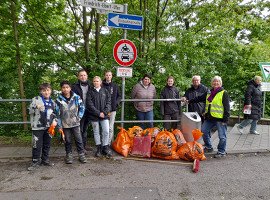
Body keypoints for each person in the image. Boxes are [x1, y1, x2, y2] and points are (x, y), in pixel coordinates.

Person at [188, 76, 230, 158]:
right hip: (210, 118)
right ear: (212, 83)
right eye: (214, 81)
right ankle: (209, 147)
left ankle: (221, 151)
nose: (216, 83)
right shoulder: (209, 92)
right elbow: (199, 98)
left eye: (217, 82)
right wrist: (189, 101)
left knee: (222, 136)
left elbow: (227, 107)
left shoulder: (223, 93)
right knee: (203, 131)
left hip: (220, 119)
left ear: (220, 83)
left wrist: (225, 119)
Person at [55, 81, 86, 164]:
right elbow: (57, 113)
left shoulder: (76, 97)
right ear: (61, 89)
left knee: (78, 139)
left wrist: (78, 117)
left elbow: (82, 107)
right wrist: (59, 125)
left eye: (67, 87)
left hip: (75, 123)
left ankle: (81, 155)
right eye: (63, 87)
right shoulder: (59, 99)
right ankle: (69, 155)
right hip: (65, 124)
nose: (65, 89)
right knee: (67, 140)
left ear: (70, 88)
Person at [28, 83, 56, 171]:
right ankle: (35, 161)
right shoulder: (35, 99)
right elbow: (29, 111)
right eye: (44, 90)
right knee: (37, 145)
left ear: (50, 91)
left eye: (48, 90)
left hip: (49, 127)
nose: (46, 92)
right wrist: (36, 106)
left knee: (47, 144)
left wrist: (55, 121)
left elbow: (55, 113)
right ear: (41, 91)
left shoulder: (53, 102)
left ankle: (45, 160)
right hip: (37, 126)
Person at [86, 76, 112, 158]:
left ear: (100, 82)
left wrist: (104, 112)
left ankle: (105, 147)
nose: (95, 82)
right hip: (94, 116)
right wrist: (98, 113)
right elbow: (90, 105)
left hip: (104, 115)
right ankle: (98, 148)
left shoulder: (105, 91)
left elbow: (109, 102)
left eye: (97, 81)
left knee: (106, 131)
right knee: (96, 132)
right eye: (94, 81)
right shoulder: (90, 92)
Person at [72, 69, 92, 152]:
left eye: (84, 75)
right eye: (81, 75)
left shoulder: (91, 85)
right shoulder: (74, 86)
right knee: (80, 129)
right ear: (78, 77)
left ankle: (83, 145)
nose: (83, 77)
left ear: (87, 76)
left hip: (89, 110)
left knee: (85, 129)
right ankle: (80, 147)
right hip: (79, 110)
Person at [102, 71, 121, 144]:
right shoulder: (101, 85)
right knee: (104, 127)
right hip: (103, 109)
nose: (108, 76)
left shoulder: (115, 85)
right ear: (105, 76)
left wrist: (116, 103)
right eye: (107, 75)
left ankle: (108, 143)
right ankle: (103, 143)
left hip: (113, 109)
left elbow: (119, 96)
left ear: (112, 76)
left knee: (110, 127)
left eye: (109, 75)